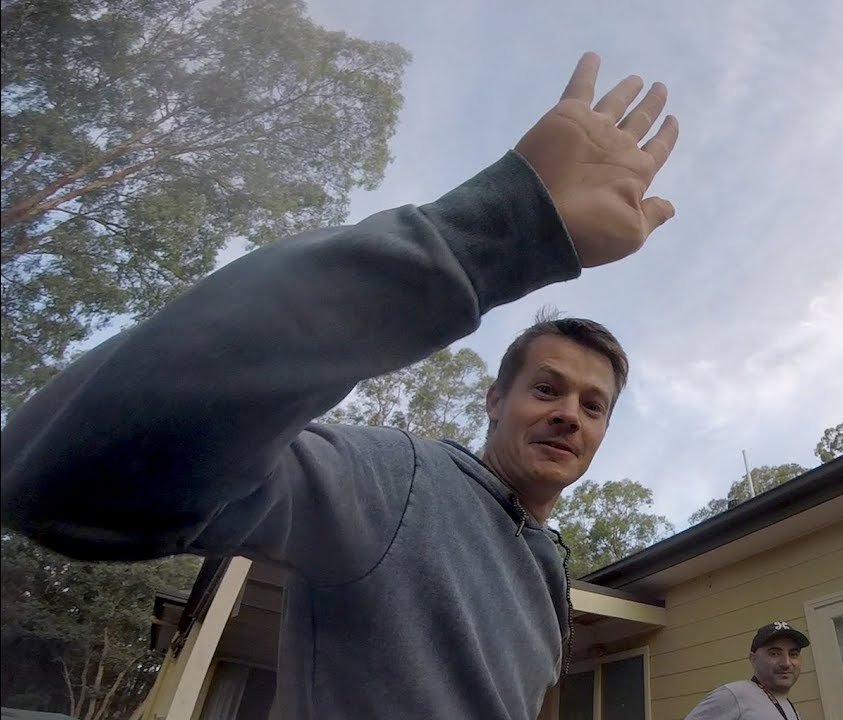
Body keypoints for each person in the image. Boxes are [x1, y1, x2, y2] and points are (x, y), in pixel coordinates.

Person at [0, 52, 679, 720]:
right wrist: (496, 233)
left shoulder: (548, 580)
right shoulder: (400, 484)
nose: (569, 414)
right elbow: (79, 483)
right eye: (547, 389)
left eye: (593, 405)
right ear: (495, 401)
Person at [684, 621, 809, 720]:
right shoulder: (733, 695)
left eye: (793, 654)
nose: (786, 663)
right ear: (753, 659)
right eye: (774, 653)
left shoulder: (788, 706)